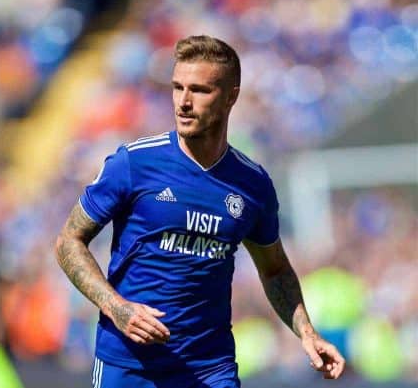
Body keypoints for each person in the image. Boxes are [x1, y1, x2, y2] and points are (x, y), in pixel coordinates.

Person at [55, 35, 345, 388]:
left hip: (210, 369)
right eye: (177, 88)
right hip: (130, 366)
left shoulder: (252, 185)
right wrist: (116, 307)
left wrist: (306, 332)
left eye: (199, 90)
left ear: (230, 96)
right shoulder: (134, 163)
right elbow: (69, 240)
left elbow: (275, 270)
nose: (184, 102)